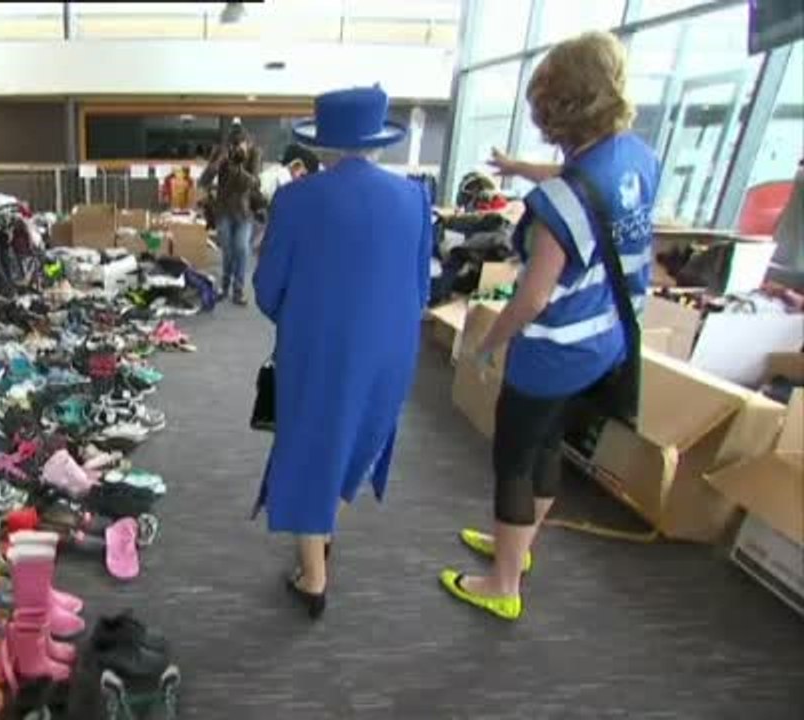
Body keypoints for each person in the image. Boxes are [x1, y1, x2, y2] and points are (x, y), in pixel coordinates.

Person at [439, 31, 659, 621]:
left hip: (552, 352)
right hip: (606, 341)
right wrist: (519, 169)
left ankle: (502, 583)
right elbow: (584, 181)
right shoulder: (637, 157)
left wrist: (486, 345)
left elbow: (532, 297)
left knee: (514, 459)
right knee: (549, 443)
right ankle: (520, 546)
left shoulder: (559, 204)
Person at [252, 86, 429, 620]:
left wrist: (305, 315)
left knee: (311, 446)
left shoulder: (297, 199)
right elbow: (421, 288)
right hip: (392, 348)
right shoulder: (414, 198)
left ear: (322, 142)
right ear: (379, 140)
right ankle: (323, 532)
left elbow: (267, 290)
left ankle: (313, 578)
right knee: (356, 439)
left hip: (321, 346)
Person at [199, 126, 263, 305]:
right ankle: (225, 285)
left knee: (241, 248)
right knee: (228, 251)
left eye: (242, 144)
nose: (238, 149)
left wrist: (238, 167)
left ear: (247, 143)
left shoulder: (254, 154)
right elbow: (203, 181)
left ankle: (238, 290)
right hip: (223, 210)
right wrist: (219, 161)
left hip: (244, 212)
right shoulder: (221, 153)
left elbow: (254, 183)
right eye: (235, 145)